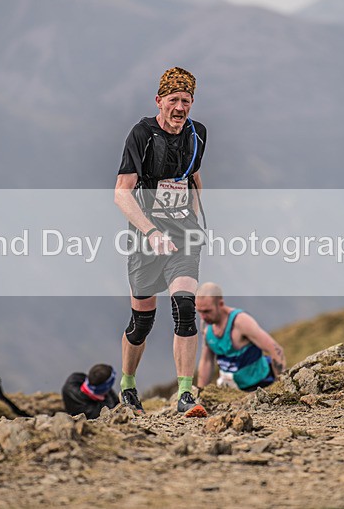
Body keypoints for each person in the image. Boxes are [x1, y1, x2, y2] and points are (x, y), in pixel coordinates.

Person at [114, 66, 207, 417]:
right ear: (159, 101)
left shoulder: (198, 133)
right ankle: (127, 384)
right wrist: (151, 232)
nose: (180, 107)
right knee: (142, 322)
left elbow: (194, 174)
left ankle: (186, 392)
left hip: (184, 234)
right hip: (145, 237)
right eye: (173, 100)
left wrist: (197, 218)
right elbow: (122, 194)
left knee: (185, 308)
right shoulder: (141, 134)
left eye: (186, 101)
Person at [196, 282, 287, 391]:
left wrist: (280, 388)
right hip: (232, 390)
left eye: (207, 311)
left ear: (220, 304)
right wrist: (200, 393)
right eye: (199, 311)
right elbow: (206, 361)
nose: (203, 317)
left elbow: (276, 350)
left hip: (260, 385)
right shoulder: (207, 329)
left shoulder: (241, 322)